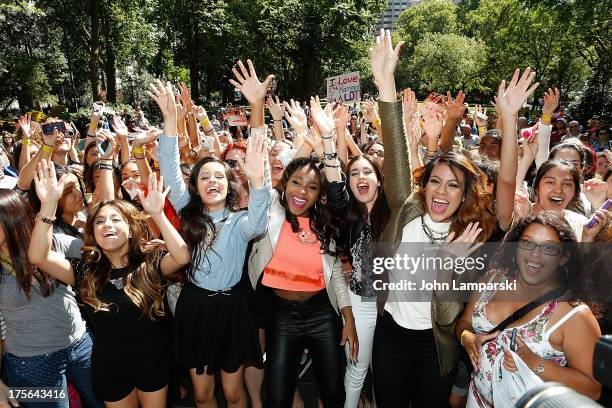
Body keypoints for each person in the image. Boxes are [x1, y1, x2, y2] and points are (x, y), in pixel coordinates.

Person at [368, 30, 537, 408]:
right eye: (435, 183)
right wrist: (385, 84)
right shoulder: (407, 208)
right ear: (423, 186)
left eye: (453, 186)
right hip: (390, 336)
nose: (442, 192)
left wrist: (508, 118)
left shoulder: (474, 232)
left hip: (436, 345)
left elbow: (446, 312)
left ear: (466, 194)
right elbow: (396, 151)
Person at [29, 160, 191, 406]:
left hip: (153, 359)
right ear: (92, 232)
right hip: (110, 366)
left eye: (115, 219)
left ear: (130, 228)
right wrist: (49, 207)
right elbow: (38, 256)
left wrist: (157, 214)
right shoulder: (84, 269)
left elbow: (182, 256)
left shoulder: (149, 262)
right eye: (100, 221)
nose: (107, 225)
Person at [154, 74, 270, 408]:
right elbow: (170, 168)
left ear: (230, 184)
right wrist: (170, 119)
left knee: (234, 394)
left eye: (219, 175)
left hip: (234, 310)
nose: (212, 181)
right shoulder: (187, 213)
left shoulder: (241, 222)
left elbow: (260, 209)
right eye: (204, 176)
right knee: (203, 395)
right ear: (196, 186)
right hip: (196, 309)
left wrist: (256, 106)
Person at [457, 212, 606, 406]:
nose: (535, 253)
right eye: (527, 243)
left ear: (563, 257)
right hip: (476, 400)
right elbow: (464, 322)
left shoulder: (573, 315)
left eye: (548, 247)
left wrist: (533, 361)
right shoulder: (492, 280)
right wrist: (466, 337)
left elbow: (593, 390)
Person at [0, 188, 102, 408]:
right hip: (30, 364)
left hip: (81, 346)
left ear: (12, 217)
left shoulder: (54, 243)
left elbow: (102, 257)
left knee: (106, 402)